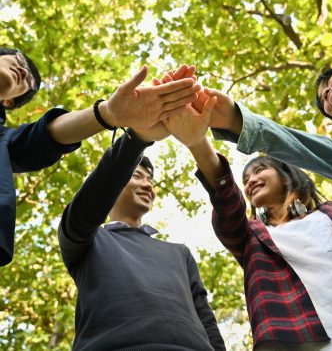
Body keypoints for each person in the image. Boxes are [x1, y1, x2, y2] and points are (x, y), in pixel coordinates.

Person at [163, 99, 332, 350]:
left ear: (285, 175)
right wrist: (197, 142)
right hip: (306, 339)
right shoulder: (251, 236)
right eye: (246, 179)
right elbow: (226, 201)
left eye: (259, 170)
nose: (251, 181)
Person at [0, 47, 201, 266]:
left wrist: (108, 114)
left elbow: (42, 138)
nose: (22, 70)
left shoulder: (5, 142)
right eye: (19, 59)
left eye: (28, 80)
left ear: (8, 102)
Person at [57, 122, 226, 350]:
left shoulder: (179, 253)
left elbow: (206, 319)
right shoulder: (88, 238)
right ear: (114, 184)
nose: (147, 185)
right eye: (137, 176)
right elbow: (82, 212)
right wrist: (137, 139)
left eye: (150, 181)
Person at [154, 61, 332, 186]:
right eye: (322, 100)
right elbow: (299, 146)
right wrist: (234, 120)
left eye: (330, 81)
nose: (325, 94)